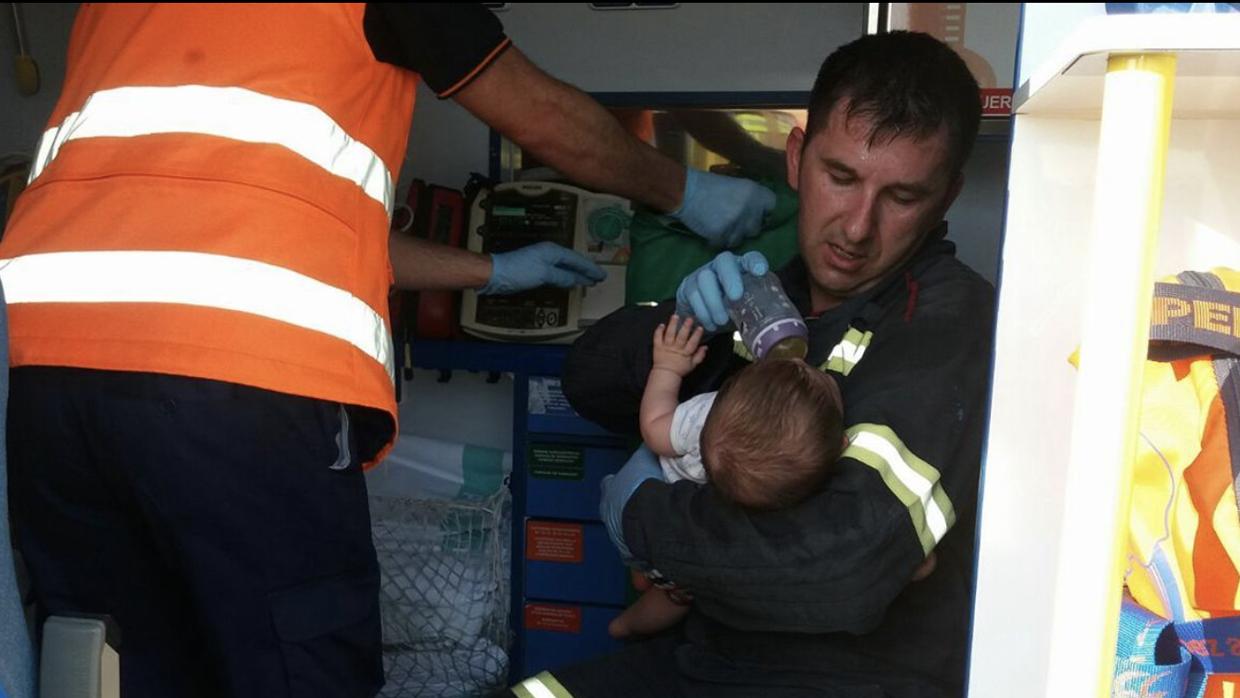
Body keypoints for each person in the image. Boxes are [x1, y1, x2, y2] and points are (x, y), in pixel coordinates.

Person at [0, 4, 776, 698]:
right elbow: (536, 111)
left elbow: (290, 229)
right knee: (298, 659)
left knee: (118, 663)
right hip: (234, 383)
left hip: (43, 376)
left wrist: (494, 270)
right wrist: (684, 191)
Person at [505, 30, 994, 698]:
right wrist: (683, 317)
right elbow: (588, 382)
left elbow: (840, 573)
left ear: (945, 197)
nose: (856, 227)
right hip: (702, 662)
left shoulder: (946, 323)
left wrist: (644, 515)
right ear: (797, 159)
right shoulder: (765, 295)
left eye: (901, 197)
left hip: (847, 683)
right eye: (840, 177)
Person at [609, 313, 845, 640]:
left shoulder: (706, 415)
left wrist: (667, 368)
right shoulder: (782, 499)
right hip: (667, 538)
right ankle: (626, 626)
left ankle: (640, 570)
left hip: (633, 499)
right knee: (676, 596)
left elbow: (653, 429)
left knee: (640, 558)